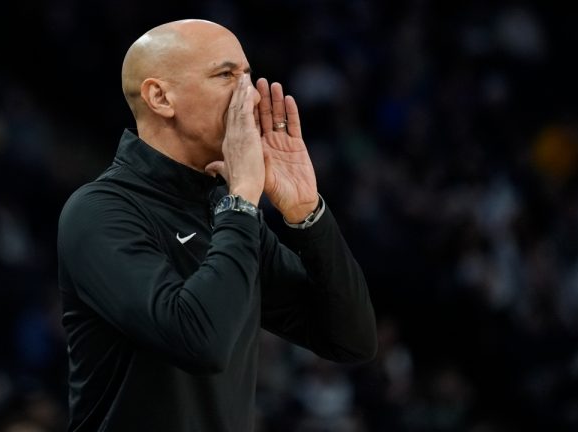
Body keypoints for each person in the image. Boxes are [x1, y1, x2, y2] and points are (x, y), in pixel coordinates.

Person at [57, 19, 377, 431]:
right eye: (226, 75)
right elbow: (199, 342)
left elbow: (351, 340)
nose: (251, 95)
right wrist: (242, 197)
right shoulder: (99, 211)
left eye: (248, 76)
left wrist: (306, 212)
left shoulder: (224, 208)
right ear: (160, 97)